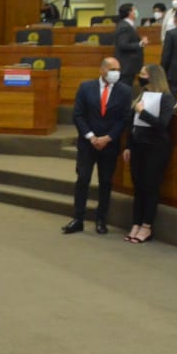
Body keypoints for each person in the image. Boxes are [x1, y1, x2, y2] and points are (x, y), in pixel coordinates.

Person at [63, 57, 133, 235]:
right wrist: (91, 137)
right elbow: (78, 115)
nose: (116, 73)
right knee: (83, 179)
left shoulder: (125, 91)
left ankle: (101, 220)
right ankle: (78, 218)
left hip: (109, 145)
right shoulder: (86, 87)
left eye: (118, 69)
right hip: (88, 144)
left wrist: (108, 138)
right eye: (112, 69)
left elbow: (124, 119)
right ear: (102, 70)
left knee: (106, 182)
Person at [123, 64, 176, 244]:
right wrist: (128, 146)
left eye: (144, 74)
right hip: (138, 145)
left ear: (153, 76)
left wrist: (142, 112)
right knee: (138, 186)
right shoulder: (140, 95)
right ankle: (136, 223)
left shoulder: (167, 98)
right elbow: (131, 124)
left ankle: (146, 226)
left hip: (156, 148)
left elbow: (162, 124)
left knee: (150, 186)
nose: (140, 76)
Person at [113, 2, 146, 92]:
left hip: (129, 66)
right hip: (126, 65)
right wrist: (140, 44)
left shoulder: (128, 25)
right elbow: (123, 44)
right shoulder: (124, 26)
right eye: (134, 9)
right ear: (129, 12)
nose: (136, 11)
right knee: (125, 90)